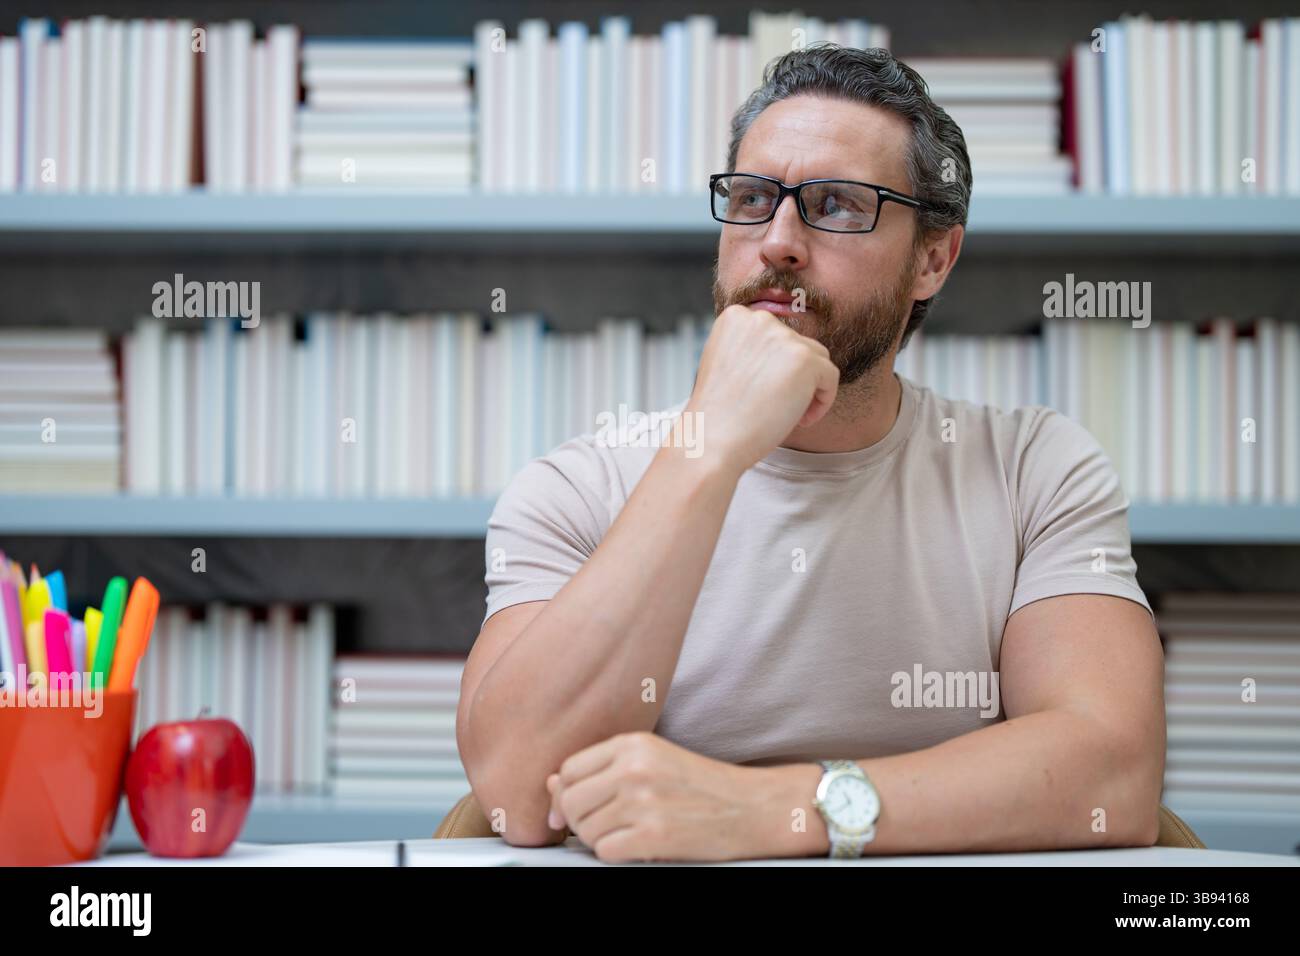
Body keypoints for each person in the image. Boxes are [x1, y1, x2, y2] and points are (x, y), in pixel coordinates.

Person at [457, 44, 1165, 862]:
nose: (779, 242)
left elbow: (1112, 776)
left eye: (836, 205)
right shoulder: (575, 486)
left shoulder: (1035, 469)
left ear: (933, 258)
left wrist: (772, 811)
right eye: (754, 199)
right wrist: (709, 449)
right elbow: (514, 791)